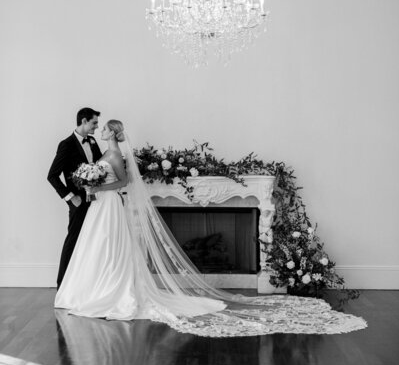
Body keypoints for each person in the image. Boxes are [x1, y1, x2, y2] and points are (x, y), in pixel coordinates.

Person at [55, 120, 368, 337]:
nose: (101, 128)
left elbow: (124, 181)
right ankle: (90, 289)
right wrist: (91, 183)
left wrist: (99, 186)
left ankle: (109, 292)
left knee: (110, 247)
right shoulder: (100, 153)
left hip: (108, 204)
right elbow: (103, 177)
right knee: (98, 247)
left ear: (114, 132)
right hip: (101, 207)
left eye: (105, 126)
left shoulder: (116, 155)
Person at [48, 107, 102, 288]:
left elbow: (101, 165)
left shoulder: (93, 141)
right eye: (94, 122)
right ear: (84, 121)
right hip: (78, 202)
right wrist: (71, 197)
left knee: (94, 240)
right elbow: (52, 176)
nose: (97, 126)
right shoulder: (66, 144)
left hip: (96, 200)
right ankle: (62, 285)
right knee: (73, 240)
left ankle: (87, 283)